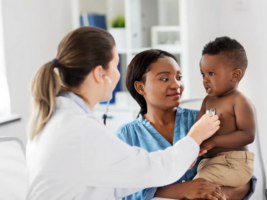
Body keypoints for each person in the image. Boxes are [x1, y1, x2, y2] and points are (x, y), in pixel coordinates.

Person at [25, 26, 222, 200]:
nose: (118, 74)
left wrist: (178, 163)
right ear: (99, 73)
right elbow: (154, 169)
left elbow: (116, 183)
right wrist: (194, 137)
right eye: (116, 65)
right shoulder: (80, 129)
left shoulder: (58, 120)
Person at [116, 49, 257, 200]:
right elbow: (124, 193)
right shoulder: (126, 136)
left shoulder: (207, 121)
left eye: (179, 77)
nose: (176, 85)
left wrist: (215, 195)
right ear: (140, 87)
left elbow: (241, 173)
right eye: (164, 79)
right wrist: (181, 190)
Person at [194, 37, 255, 188]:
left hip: (234, 163)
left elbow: (248, 135)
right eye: (203, 74)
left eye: (211, 73)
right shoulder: (208, 101)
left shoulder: (239, 101)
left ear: (235, 75)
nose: (205, 79)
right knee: (195, 187)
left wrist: (213, 142)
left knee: (197, 187)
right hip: (209, 163)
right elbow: (197, 130)